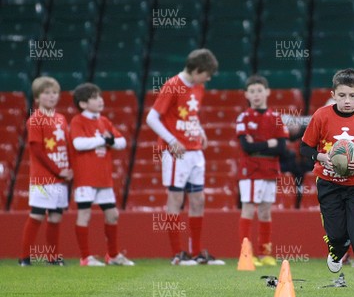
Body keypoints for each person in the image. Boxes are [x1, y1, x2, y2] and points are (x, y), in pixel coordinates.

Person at [300, 68, 354, 291]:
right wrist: (321, 157)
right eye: (342, 95)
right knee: (337, 235)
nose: (347, 101)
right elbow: (304, 147)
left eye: (352, 96)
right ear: (333, 94)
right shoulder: (321, 115)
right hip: (328, 184)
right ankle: (337, 249)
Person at [146, 48, 223, 265]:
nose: (208, 79)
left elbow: (191, 114)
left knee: (198, 199)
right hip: (176, 153)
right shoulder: (172, 85)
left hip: (195, 150)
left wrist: (201, 131)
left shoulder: (198, 87)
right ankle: (177, 253)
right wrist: (171, 141)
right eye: (207, 74)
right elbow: (152, 118)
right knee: (176, 199)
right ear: (197, 69)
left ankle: (197, 252)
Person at [70, 83, 134, 266]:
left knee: (112, 214)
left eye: (100, 96)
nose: (100, 100)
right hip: (86, 177)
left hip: (103, 178)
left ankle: (112, 255)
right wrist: (103, 140)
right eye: (95, 97)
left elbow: (121, 142)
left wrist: (109, 140)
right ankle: (85, 257)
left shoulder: (104, 121)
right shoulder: (78, 121)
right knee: (85, 215)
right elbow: (78, 144)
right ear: (83, 104)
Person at [18, 76, 72, 266]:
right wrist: (59, 171)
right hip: (43, 178)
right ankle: (24, 258)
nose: (51, 97)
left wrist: (69, 169)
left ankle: (52, 257)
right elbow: (37, 151)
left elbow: (67, 146)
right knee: (37, 214)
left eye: (55, 93)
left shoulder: (61, 119)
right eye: (47, 93)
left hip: (60, 179)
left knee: (56, 216)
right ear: (37, 97)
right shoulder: (35, 120)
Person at [236, 75, 289, 266]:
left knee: (266, 212)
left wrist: (258, 145)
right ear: (246, 95)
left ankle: (264, 253)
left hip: (270, 170)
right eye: (252, 91)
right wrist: (270, 143)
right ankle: (246, 254)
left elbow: (282, 148)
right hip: (250, 170)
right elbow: (246, 147)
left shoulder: (276, 117)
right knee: (249, 209)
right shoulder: (244, 117)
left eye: (259, 90)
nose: (256, 95)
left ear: (267, 92)